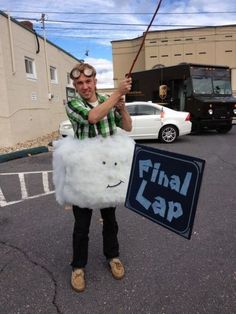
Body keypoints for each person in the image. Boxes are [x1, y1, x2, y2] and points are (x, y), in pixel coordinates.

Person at [66, 62, 132, 292]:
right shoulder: (73, 104)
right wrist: (117, 93)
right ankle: (78, 267)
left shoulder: (108, 100)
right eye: (79, 83)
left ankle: (113, 257)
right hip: (84, 176)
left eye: (88, 81)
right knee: (81, 225)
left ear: (95, 81)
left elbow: (128, 126)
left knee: (110, 221)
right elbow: (93, 117)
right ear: (75, 86)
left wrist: (122, 107)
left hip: (107, 174)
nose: (84, 86)